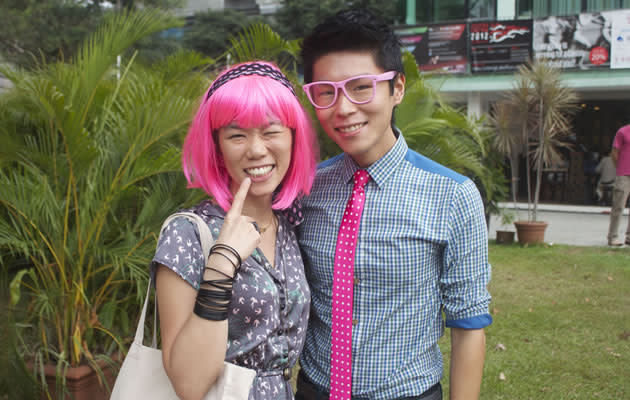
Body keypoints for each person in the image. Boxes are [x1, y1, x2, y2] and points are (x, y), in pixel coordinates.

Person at [296, 9, 492, 400]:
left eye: (361, 87)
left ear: (397, 88)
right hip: (313, 391)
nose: (343, 108)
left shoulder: (452, 196)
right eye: (326, 92)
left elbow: (468, 324)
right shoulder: (307, 188)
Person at [151, 61, 318, 400]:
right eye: (237, 135)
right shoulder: (188, 234)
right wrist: (223, 262)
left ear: (293, 137)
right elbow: (188, 384)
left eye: (271, 131)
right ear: (217, 146)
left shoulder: (289, 225)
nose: (256, 149)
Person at [606, 123, 630, 246]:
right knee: (618, 206)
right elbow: (614, 152)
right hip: (624, 175)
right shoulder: (623, 132)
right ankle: (612, 237)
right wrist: (620, 168)